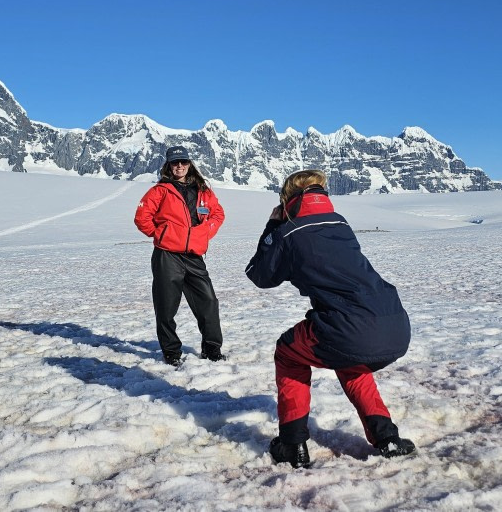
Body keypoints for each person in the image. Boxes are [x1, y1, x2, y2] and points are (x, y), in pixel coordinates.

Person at [245, 169, 417, 467]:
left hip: (346, 327)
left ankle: (292, 443)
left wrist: (273, 227)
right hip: (394, 322)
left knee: (288, 354)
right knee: (350, 362)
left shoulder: (288, 233)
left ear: (288, 199)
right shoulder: (340, 223)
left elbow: (259, 275)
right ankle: (387, 437)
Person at [134, 145, 226, 367]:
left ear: (189, 164)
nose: (179, 166)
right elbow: (141, 217)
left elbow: (218, 213)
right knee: (166, 306)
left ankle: (212, 350)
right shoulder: (160, 191)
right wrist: (162, 235)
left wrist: (204, 233)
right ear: (168, 166)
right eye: (175, 163)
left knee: (208, 302)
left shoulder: (203, 190)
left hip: (194, 256)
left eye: (183, 162)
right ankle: (171, 352)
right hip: (167, 256)